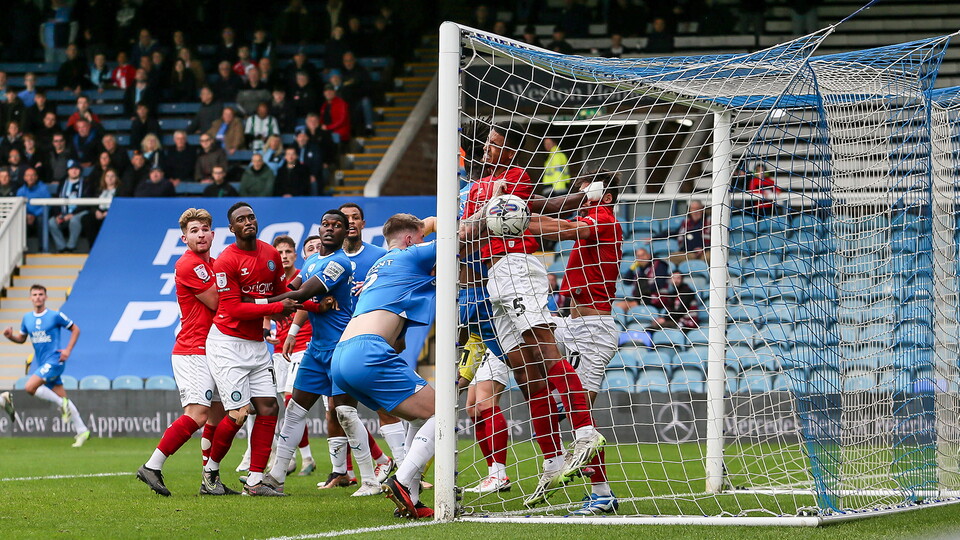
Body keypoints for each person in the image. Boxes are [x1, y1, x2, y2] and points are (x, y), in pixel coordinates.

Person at [461, 122, 604, 507]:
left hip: (515, 267)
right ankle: (553, 461)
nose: (485, 149)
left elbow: (484, 224)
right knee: (525, 373)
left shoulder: (515, 177)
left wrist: (469, 224)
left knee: (544, 349)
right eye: (486, 143)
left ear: (509, 151)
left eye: (493, 144)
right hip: (491, 276)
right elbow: (469, 229)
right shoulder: (478, 185)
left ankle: (585, 431)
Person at [264, 210, 383, 496]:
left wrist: (255, 302)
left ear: (345, 232)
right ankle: (276, 477)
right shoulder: (313, 261)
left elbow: (301, 295)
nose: (329, 229)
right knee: (294, 409)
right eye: (325, 225)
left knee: (344, 412)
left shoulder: (339, 263)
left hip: (343, 348)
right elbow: (289, 288)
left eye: (336, 226)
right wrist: (266, 293)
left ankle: (369, 480)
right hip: (316, 350)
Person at [331, 213, 440, 518]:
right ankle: (403, 481)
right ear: (409, 240)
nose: (424, 244)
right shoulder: (412, 252)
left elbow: (400, 341)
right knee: (443, 412)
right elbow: (461, 234)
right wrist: (431, 223)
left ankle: (412, 499)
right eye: (420, 238)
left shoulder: (380, 265)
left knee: (419, 417)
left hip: (343, 355)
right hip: (367, 351)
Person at [529, 171, 622, 515]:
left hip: (593, 330)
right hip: (573, 324)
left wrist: (525, 221)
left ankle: (602, 493)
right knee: (531, 338)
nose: (581, 194)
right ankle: (560, 466)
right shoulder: (591, 216)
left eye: (588, 189)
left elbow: (571, 230)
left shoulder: (604, 217)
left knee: (577, 413)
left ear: (605, 195)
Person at [201, 202, 300, 496]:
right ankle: (210, 473)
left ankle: (256, 481)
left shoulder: (270, 254)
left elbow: (283, 294)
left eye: (251, 217)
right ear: (232, 229)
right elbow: (232, 308)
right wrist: (273, 307)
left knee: (269, 407)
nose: (248, 222)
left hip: (257, 345)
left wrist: (310, 303)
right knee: (239, 413)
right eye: (241, 219)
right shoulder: (226, 261)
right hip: (227, 344)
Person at [137, 208, 234, 497]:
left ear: (213, 234)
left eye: (204, 229)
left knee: (218, 415)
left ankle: (210, 480)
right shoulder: (188, 264)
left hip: (213, 349)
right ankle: (152, 466)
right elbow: (218, 302)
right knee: (198, 414)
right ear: (184, 238)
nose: (200, 234)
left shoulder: (216, 263)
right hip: (193, 349)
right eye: (194, 230)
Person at [236, 235, 320, 478]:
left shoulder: (304, 277)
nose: (283, 256)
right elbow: (267, 309)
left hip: (304, 346)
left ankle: (295, 459)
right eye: (279, 252)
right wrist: (266, 331)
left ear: (296, 255)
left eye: (288, 251)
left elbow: (302, 304)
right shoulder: (273, 280)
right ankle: (286, 458)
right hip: (279, 350)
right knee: (263, 403)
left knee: (294, 403)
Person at [337, 202, 405, 480]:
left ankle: (402, 466)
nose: (351, 222)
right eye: (345, 219)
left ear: (364, 223)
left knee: (385, 405)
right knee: (339, 410)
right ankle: (353, 471)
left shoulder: (381, 256)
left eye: (356, 218)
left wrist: (399, 335)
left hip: (374, 339)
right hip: (337, 342)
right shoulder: (327, 258)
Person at [2, 284, 90, 447]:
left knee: (30, 387)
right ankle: (82, 430)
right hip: (43, 363)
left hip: (55, 360)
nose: (38, 297)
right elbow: (21, 339)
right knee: (63, 398)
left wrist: (68, 350)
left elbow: (76, 329)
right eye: (34, 294)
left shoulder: (55, 315)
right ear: (30, 298)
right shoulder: (27, 318)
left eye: (41, 294)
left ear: (46, 297)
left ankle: (61, 404)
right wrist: (10, 336)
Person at [48, 160, 92, 253]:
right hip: (64, 213)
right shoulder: (63, 183)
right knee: (52, 222)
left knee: (74, 220)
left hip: (79, 212)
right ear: (68, 171)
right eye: (71, 169)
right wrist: (58, 214)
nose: (74, 171)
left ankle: (71, 246)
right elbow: (57, 200)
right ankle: (62, 247)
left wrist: (72, 214)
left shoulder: (86, 183)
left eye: (76, 169)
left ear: (80, 170)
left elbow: (86, 202)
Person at [669, 200, 711, 265]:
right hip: (689, 253)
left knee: (710, 257)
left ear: (702, 209)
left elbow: (716, 240)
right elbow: (673, 233)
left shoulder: (709, 222)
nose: (695, 211)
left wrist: (703, 248)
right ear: (689, 210)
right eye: (693, 209)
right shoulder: (685, 223)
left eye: (697, 209)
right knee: (670, 257)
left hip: (705, 252)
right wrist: (654, 237)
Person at [87, 168, 120, 244]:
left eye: (112, 176)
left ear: (116, 178)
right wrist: (96, 211)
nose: (110, 178)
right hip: (99, 213)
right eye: (107, 176)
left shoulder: (120, 190)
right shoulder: (99, 190)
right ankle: (93, 246)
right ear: (104, 178)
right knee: (87, 219)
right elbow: (93, 204)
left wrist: (110, 213)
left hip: (112, 213)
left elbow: (121, 205)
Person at [16, 168, 48, 237]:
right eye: (28, 175)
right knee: (19, 220)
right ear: (24, 178)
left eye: (32, 175)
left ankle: (42, 246)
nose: (30, 178)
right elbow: (18, 206)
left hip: (40, 215)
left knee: (41, 220)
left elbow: (48, 204)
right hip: (26, 215)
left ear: (36, 177)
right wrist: (27, 215)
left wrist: (34, 215)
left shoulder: (43, 188)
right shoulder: (21, 190)